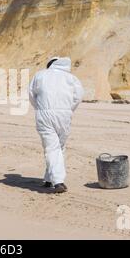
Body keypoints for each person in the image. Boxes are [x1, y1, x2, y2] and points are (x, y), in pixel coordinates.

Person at [29, 57, 84, 193]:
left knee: (51, 148)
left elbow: (31, 94)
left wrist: (40, 108)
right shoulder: (72, 78)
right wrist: (69, 109)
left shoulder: (40, 75)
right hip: (64, 115)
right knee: (59, 147)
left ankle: (57, 181)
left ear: (50, 64)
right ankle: (49, 179)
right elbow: (78, 96)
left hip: (44, 115)